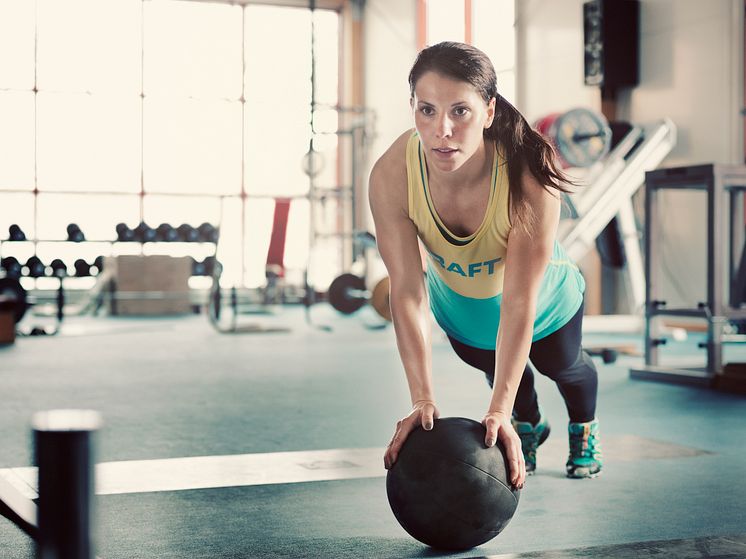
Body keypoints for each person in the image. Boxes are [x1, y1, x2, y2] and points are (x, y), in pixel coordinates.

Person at [368, 41, 603, 489]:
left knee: (561, 363)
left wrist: (495, 411)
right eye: (427, 110)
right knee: (497, 368)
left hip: (545, 302)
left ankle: (584, 426)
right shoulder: (391, 173)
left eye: (460, 111)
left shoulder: (529, 173)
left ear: (490, 111)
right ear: (412, 108)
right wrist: (422, 398)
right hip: (462, 313)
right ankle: (528, 419)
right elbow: (406, 288)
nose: (442, 130)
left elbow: (519, 303)